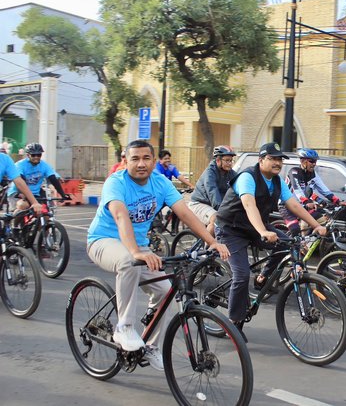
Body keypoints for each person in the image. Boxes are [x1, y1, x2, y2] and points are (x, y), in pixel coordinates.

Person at [87, 139, 229, 371]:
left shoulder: (160, 182)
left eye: (146, 158)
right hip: (103, 241)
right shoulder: (116, 182)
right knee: (127, 261)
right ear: (125, 161)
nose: (141, 163)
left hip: (138, 246)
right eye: (135, 159)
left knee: (165, 292)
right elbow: (121, 216)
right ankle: (124, 327)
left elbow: (185, 213)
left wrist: (211, 241)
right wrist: (135, 251)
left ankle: (150, 346)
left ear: (154, 161)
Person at [215, 143, 327, 341]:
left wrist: (315, 225)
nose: (277, 163)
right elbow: (249, 205)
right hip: (231, 229)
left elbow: (293, 204)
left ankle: (263, 278)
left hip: (255, 227)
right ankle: (232, 324)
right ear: (261, 160)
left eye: (279, 159)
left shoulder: (276, 181)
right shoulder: (247, 177)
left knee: (288, 245)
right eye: (273, 159)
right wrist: (263, 231)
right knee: (241, 275)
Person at [279, 148, 346, 237]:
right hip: (286, 205)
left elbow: (324, 190)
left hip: (301, 205)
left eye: (315, 162)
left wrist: (338, 201)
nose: (314, 164)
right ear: (303, 161)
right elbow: (297, 189)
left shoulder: (313, 174)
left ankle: (307, 246)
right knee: (295, 230)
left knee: (322, 223)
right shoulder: (294, 172)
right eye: (311, 161)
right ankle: (293, 248)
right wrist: (306, 201)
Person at [9, 143, 70, 214]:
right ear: (28, 155)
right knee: (23, 206)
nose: (36, 157)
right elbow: (20, 182)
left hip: (35, 193)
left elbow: (53, 179)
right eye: (33, 155)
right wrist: (24, 195)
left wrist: (62, 194)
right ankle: (15, 224)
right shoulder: (20, 165)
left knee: (46, 212)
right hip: (17, 192)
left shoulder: (44, 165)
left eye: (39, 155)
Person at [189, 145, 237, 236]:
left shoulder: (230, 173)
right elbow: (212, 192)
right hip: (199, 204)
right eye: (227, 160)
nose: (230, 163)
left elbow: (240, 182)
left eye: (231, 160)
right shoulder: (210, 173)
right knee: (215, 219)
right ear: (218, 160)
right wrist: (223, 211)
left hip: (212, 205)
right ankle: (208, 247)